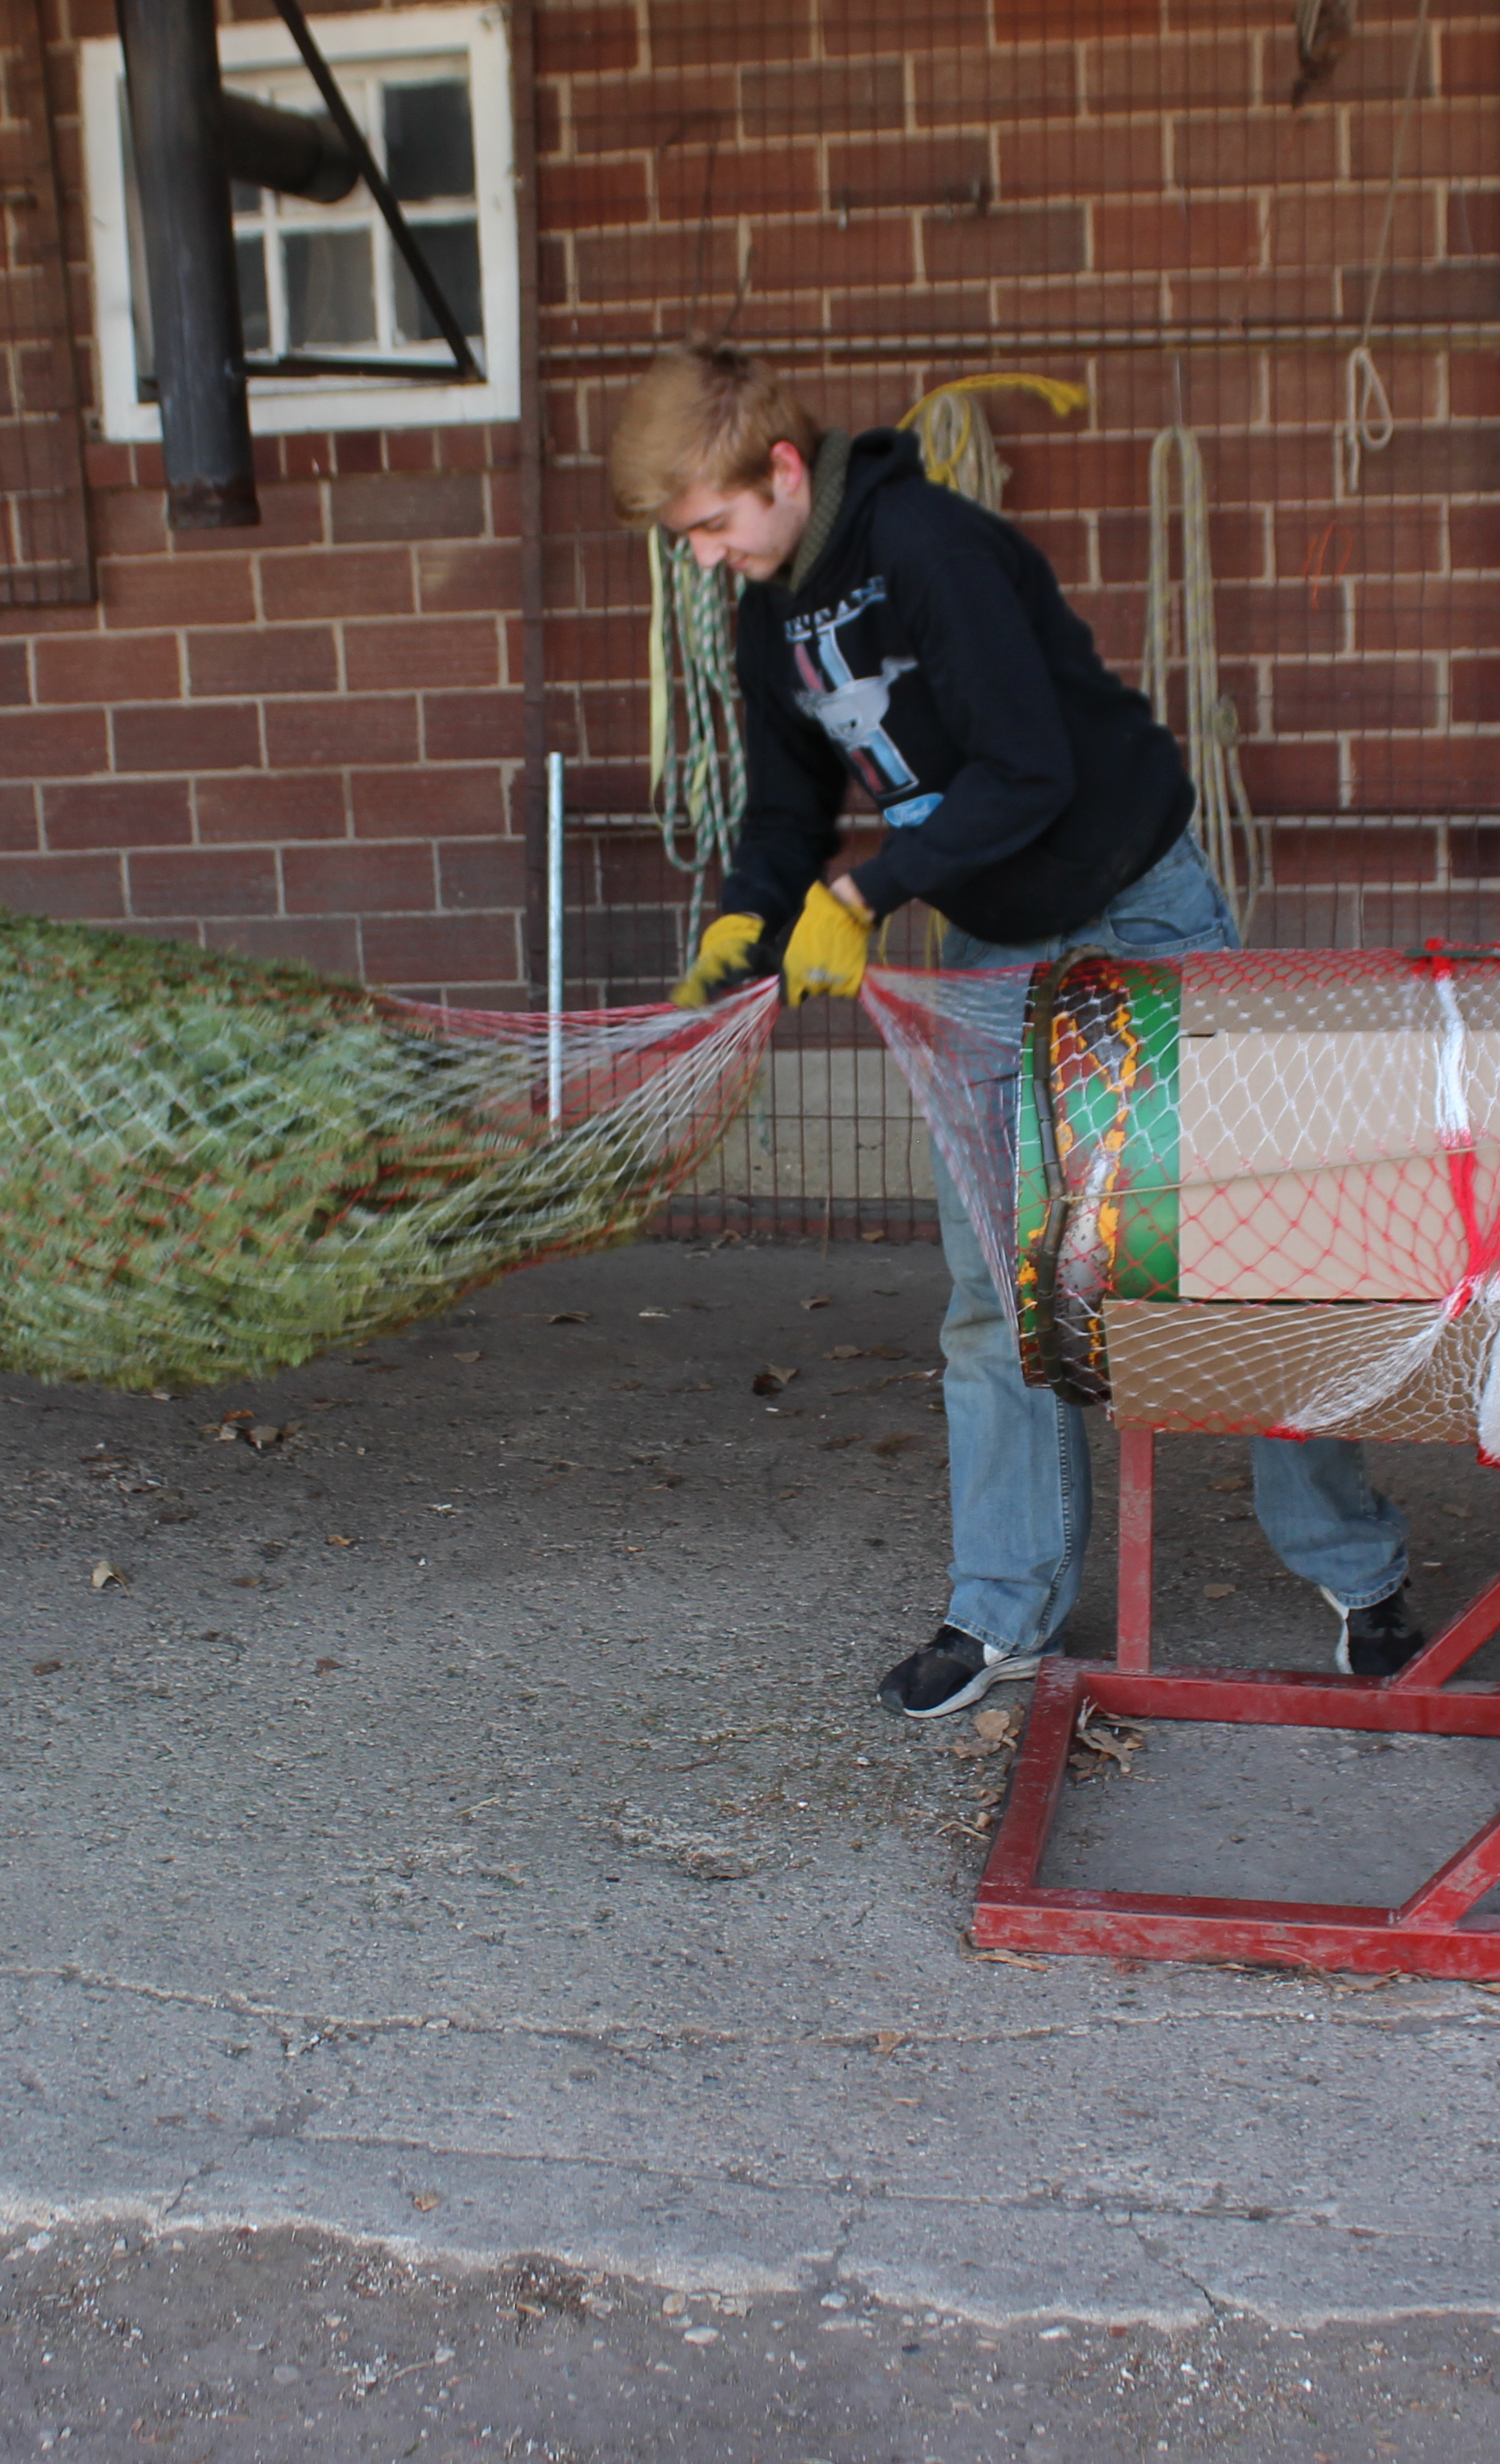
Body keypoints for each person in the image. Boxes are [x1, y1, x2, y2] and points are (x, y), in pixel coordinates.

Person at [608, 342, 1418, 1720]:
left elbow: (1031, 772)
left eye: (711, 525)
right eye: (686, 536)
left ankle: (1363, 1571)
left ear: (782, 473)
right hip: (990, 943)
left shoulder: (932, 546)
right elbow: (788, 809)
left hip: (1134, 900)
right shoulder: (763, 614)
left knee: (1233, 1249)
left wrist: (864, 894)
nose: (703, 558)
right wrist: (747, 917)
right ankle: (1002, 1614)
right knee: (999, 1286)